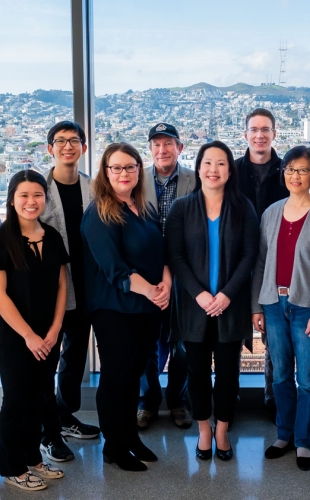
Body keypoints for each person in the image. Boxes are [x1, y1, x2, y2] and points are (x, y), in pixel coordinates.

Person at [166, 141, 259, 462]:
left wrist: (226, 295)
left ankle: (222, 430)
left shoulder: (243, 207)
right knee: (197, 371)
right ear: (199, 167)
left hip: (230, 306)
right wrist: (201, 294)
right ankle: (203, 429)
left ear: (229, 170)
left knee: (229, 372)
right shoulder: (182, 208)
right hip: (194, 306)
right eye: (208, 163)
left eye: (221, 163)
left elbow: (250, 255)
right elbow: (175, 257)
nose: (213, 169)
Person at [81, 143, 171, 472]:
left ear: (139, 170)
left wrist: (166, 286)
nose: (123, 173)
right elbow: (115, 270)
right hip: (114, 310)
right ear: (105, 173)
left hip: (146, 309)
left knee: (134, 376)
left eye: (130, 167)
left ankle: (130, 438)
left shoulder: (142, 207)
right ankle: (114, 448)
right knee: (116, 378)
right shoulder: (99, 213)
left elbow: (160, 252)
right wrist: (153, 292)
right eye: (116, 168)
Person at [252, 146, 310, 471]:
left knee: (306, 379)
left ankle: (304, 442)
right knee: (279, 378)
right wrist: (256, 306)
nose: (295, 175)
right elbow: (261, 263)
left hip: (306, 309)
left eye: (303, 170)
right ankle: (284, 434)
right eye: (290, 169)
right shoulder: (272, 213)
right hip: (273, 304)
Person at [0, 170, 68, 491]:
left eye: (37, 195)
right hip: (15, 338)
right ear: (12, 199)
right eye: (24, 195)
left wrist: (55, 328)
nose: (31, 202)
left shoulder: (53, 236)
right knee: (17, 400)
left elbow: (62, 285)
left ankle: (33, 459)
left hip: (48, 335)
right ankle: (13, 467)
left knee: (39, 398)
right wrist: (29, 336)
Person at [39, 121, 99, 463]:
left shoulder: (93, 188)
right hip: (50, 289)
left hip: (86, 285)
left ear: (83, 148)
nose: (67, 146)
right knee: (47, 360)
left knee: (75, 356)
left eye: (74, 141)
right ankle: (47, 432)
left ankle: (64, 415)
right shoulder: (38, 188)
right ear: (50, 149)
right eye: (60, 141)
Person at [138, 122, 196, 431]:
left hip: (184, 276)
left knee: (182, 343)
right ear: (150, 149)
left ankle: (177, 400)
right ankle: (148, 401)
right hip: (146, 278)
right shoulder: (137, 179)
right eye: (156, 144)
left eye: (168, 144)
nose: (162, 150)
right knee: (146, 341)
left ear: (179, 148)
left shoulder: (195, 180)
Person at [237, 108, 290, 422]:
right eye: (254, 130)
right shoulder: (230, 170)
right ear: (245, 134)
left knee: (276, 340)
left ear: (274, 133)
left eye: (265, 129)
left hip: (276, 266)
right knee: (230, 337)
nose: (259, 135)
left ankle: (274, 402)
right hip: (238, 266)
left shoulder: (287, 171)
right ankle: (229, 400)